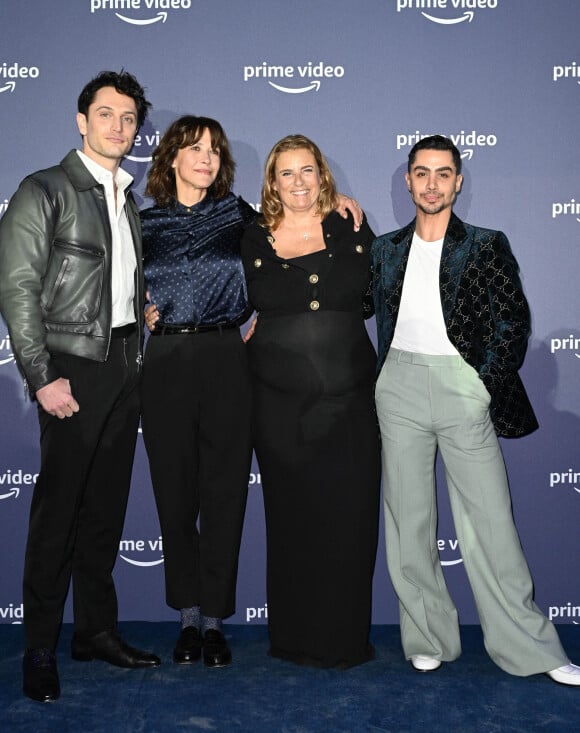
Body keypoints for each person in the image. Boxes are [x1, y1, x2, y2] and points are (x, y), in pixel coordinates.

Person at [141, 118, 362, 669]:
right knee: (174, 495)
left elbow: (286, 246)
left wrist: (342, 203)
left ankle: (214, 623)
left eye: (214, 150)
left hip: (225, 359)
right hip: (165, 360)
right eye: (194, 149)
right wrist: (138, 307)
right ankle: (186, 618)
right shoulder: (139, 224)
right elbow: (116, 283)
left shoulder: (239, 216)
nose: (206, 158)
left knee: (223, 495)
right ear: (171, 158)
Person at [371, 134, 580, 685]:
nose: (432, 183)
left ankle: (532, 649)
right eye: (422, 173)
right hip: (398, 386)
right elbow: (352, 299)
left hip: (463, 386)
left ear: (458, 181)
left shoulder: (486, 244)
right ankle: (427, 636)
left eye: (444, 173)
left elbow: (514, 322)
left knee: (490, 524)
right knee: (408, 521)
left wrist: (481, 384)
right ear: (408, 181)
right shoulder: (386, 248)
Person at [0, 70, 161, 703]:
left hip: (125, 361)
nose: (118, 127)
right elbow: (17, 291)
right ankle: (39, 645)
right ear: (81, 120)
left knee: (104, 510)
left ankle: (95, 631)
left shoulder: (127, 197)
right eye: (106, 114)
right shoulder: (44, 189)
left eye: (128, 118)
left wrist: (138, 312)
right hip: (71, 368)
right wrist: (42, 378)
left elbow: (107, 284)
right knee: (57, 515)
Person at [240, 134, 380, 668]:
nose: (298, 182)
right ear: (271, 183)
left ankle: (344, 641)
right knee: (293, 519)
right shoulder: (249, 235)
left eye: (307, 171)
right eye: (286, 173)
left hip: (350, 405)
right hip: (278, 407)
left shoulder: (351, 224)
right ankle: (294, 638)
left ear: (323, 175)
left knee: (350, 518)